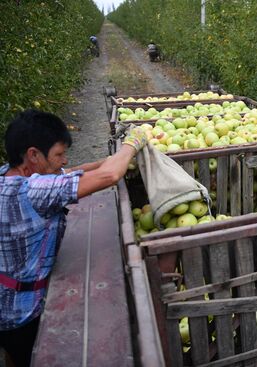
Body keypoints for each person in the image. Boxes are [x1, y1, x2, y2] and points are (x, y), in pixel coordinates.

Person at [0, 109, 147, 366]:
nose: (63, 160)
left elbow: (70, 174)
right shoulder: (33, 191)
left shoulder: (8, 175)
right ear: (33, 155)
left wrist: (108, 160)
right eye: (58, 154)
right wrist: (132, 143)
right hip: (20, 311)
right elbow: (108, 177)